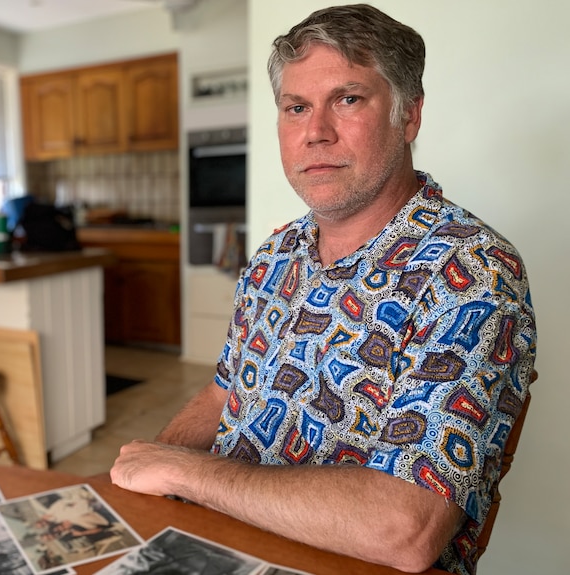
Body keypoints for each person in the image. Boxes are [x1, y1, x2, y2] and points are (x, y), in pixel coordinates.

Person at [109, 5, 536, 575]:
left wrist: (187, 474)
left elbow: (404, 529)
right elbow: (222, 396)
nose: (316, 132)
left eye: (349, 99)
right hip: (218, 543)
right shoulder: (274, 255)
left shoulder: (471, 271)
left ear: (409, 116)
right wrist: (148, 479)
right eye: (297, 107)